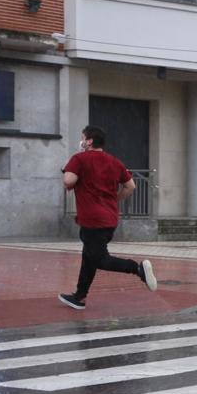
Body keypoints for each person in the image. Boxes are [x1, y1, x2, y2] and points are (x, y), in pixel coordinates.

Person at [58, 125, 157, 310]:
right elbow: (131, 186)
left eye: (82, 137)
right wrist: (113, 200)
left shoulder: (79, 158)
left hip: (91, 219)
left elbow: (68, 181)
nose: (81, 141)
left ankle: (137, 269)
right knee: (89, 257)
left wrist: (69, 167)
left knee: (99, 259)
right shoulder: (114, 161)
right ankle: (79, 296)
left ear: (88, 141)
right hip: (109, 218)